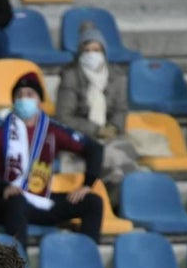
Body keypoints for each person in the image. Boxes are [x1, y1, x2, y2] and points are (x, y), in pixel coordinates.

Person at [0, 71, 105, 251]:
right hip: (7, 202)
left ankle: (86, 260)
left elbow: (94, 148)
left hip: (40, 199)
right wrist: (3, 187)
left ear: (40, 101)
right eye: (19, 96)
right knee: (16, 201)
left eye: (29, 95)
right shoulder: (1, 129)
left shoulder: (52, 129)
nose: (23, 99)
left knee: (92, 202)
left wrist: (88, 184)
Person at [55, 23, 141, 199]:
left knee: (126, 158)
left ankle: (119, 202)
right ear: (80, 52)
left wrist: (114, 128)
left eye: (96, 49)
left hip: (110, 136)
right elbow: (64, 117)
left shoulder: (116, 76)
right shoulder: (70, 76)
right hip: (80, 137)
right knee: (114, 159)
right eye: (87, 50)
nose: (92, 54)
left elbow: (121, 109)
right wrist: (96, 130)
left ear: (104, 52)